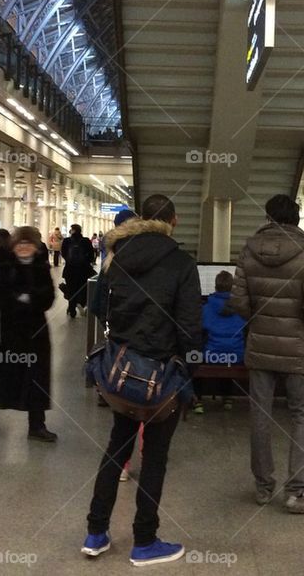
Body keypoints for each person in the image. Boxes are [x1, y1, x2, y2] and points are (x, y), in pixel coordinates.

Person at [83, 194, 202, 566]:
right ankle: (145, 541)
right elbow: (189, 323)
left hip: (122, 367)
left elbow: (99, 306)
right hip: (161, 372)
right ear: (173, 221)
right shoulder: (182, 261)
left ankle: (96, 533)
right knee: (154, 457)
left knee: (117, 448)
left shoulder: (117, 256)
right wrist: (189, 369)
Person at [230, 194, 304, 514]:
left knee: (261, 413)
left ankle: (263, 485)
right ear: (296, 217)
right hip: (297, 347)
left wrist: (256, 321)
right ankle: (297, 492)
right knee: (300, 414)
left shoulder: (249, 250)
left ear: (268, 216)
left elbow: (239, 301)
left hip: (260, 344)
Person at [0, 227, 56, 441]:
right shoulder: (4, 266)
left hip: (35, 333)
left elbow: (48, 298)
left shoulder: (41, 267)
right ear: (14, 245)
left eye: (28, 243)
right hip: (8, 331)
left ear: (35, 246)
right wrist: (25, 300)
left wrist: (28, 298)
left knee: (36, 378)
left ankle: (37, 425)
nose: (24, 247)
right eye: (20, 243)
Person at [192, 270, 246, 413]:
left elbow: (198, 331)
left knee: (194, 358)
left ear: (215, 287)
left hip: (212, 355)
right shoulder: (241, 308)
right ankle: (227, 398)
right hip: (238, 356)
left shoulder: (206, 308)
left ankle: (198, 401)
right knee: (228, 351)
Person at [61, 223, 95, 318]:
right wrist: (85, 263)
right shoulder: (86, 241)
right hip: (83, 270)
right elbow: (92, 255)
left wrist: (70, 261)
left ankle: (71, 309)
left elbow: (63, 254)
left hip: (70, 270)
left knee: (71, 289)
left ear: (73, 231)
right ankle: (81, 302)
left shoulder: (67, 241)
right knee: (82, 288)